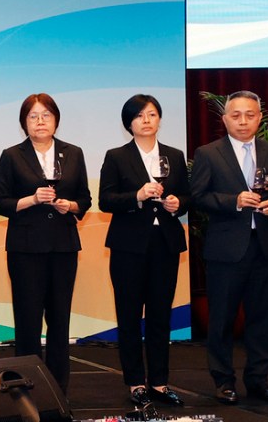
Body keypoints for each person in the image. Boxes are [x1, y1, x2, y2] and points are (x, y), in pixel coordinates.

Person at [192, 90, 268, 406]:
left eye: (250, 115)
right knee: (221, 319)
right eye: (236, 115)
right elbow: (198, 197)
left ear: (259, 118)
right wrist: (233, 201)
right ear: (225, 119)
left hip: (263, 248)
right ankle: (224, 382)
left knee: (261, 319)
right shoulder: (209, 153)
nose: (243, 121)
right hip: (226, 250)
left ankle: (259, 381)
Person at [0, 93, 90, 391]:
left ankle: (58, 390)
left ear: (56, 119)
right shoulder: (12, 155)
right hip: (25, 248)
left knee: (59, 321)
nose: (40, 121)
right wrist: (32, 199)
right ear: (24, 123)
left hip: (63, 247)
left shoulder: (73, 153)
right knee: (28, 321)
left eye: (46, 115)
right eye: (33, 116)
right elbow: (0, 203)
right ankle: (25, 387)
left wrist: (70, 206)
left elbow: (85, 199)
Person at [97, 94, 188, 408]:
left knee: (161, 316)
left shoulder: (175, 156)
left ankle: (160, 383)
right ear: (129, 123)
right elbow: (106, 200)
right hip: (128, 246)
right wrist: (136, 195)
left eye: (151, 114)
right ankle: (136, 382)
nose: (146, 120)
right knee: (129, 316)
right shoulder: (116, 157)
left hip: (165, 244)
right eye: (139, 116)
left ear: (159, 119)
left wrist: (178, 204)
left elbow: (187, 196)